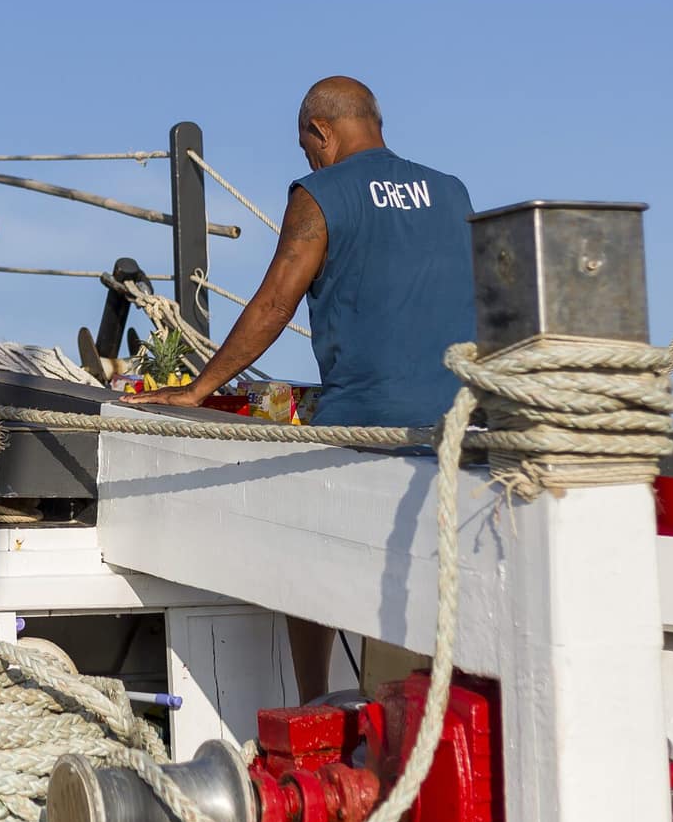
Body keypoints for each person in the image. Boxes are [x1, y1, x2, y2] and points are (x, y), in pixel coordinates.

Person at [128, 76, 475, 703]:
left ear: (321, 132)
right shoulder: (452, 192)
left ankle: (313, 702)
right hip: (458, 430)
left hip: (365, 423)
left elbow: (275, 302)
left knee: (296, 537)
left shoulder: (320, 192)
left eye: (306, 146)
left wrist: (199, 388)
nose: (310, 159)